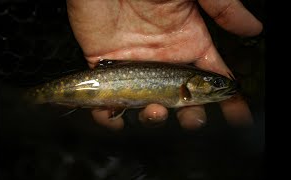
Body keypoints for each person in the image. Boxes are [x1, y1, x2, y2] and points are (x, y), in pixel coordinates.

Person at [66, 0, 263, 130]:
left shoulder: (188, 86)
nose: (221, 86)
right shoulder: (185, 86)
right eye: (217, 84)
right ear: (189, 87)